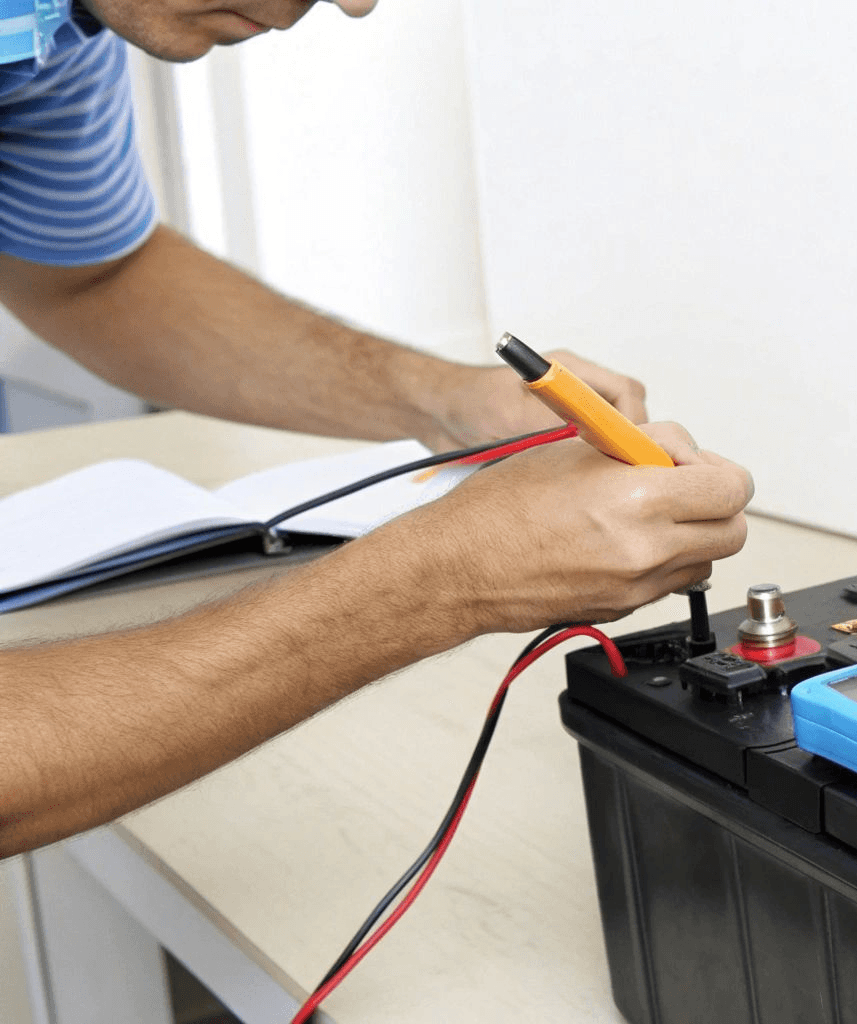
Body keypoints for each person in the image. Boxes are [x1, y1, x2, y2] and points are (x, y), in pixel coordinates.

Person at [0, 0, 754, 858]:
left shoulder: (53, 36)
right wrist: (443, 581)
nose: (357, 3)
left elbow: (89, 278)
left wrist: (441, 400)